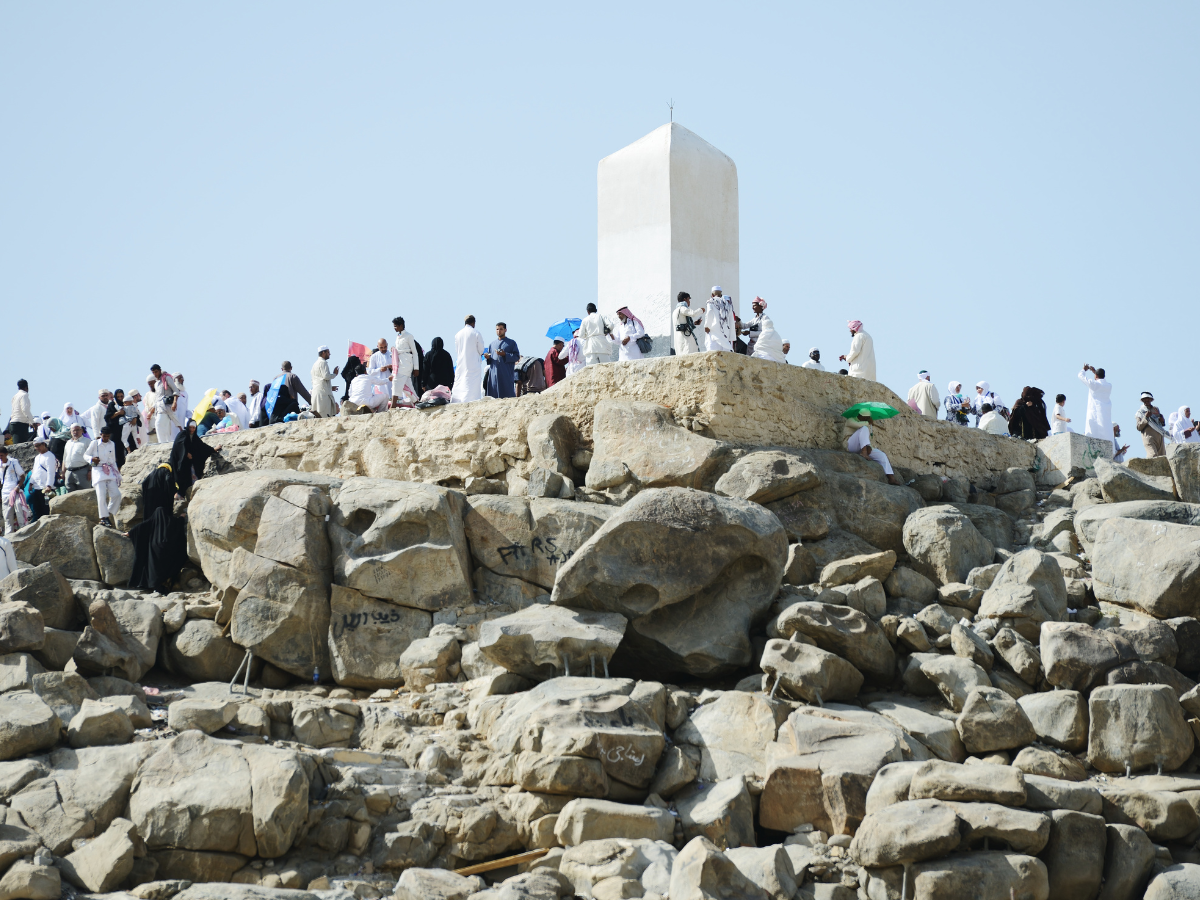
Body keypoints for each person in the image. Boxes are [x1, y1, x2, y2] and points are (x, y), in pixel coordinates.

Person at [170, 420, 221, 497]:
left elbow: (202, 446)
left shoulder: (194, 437)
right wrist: (186, 453)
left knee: (193, 478)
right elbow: (178, 446)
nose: (192, 429)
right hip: (180, 463)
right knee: (180, 480)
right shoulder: (182, 434)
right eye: (190, 427)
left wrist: (213, 449)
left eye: (194, 428)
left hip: (189, 464)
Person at [846, 413, 900, 485]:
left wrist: (869, 447)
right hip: (850, 445)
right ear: (859, 415)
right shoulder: (850, 420)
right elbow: (858, 425)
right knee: (864, 428)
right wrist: (868, 422)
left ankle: (891, 478)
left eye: (867, 418)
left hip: (861, 447)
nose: (866, 419)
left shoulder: (864, 424)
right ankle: (864, 452)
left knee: (882, 455)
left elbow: (864, 438)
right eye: (865, 417)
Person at [86, 426, 121, 528]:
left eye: (107, 436)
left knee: (116, 494)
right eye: (104, 436)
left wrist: (117, 475)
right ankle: (103, 518)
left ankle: (107, 514)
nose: (106, 438)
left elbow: (113, 460)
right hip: (98, 471)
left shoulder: (112, 444)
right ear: (101, 434)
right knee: (101, 496)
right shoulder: (94, 443)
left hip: (109, 470)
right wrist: (92, 459)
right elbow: (85, 455)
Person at [452, 315, 487, 403]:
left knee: (461, 380)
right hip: (473, 363)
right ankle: (470, 400)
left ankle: (457, 400)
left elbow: (457, 350)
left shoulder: (458, 334)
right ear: (473, 323)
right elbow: (481, 349)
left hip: (461, 362)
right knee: (472, 383)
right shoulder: (476, 333)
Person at [485, 322, 520, 398]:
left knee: (508, 395)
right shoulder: (492, 344)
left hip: (506, 373)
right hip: (493, 374)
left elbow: (516, 357)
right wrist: (488, 358)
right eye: (497, 329)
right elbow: (490, 360)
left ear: (505, 330)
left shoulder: (511, 343)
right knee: (493, 396)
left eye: (501, 329)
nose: (499, 331)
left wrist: (505, 354)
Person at [150, 365, 183, 444]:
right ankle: (165, 444)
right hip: (159, 408)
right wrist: (152, 410)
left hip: (168, 406)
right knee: (164, 427)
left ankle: (163, 443)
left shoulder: (167, 378)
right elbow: (158, 398)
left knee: (159, 424)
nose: (155, 374)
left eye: (156, 372)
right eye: (153, 372)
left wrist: (174, 402)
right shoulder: (156, 383)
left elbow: (176, 391)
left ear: (160, 370)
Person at [1078, 365, 1113, 440]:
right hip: (1105, 412)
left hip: (1095, 411)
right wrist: (1095, 372)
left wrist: (1084, 369)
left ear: (1096, 375)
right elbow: (1101, 380)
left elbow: (1080, 376)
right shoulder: (1109, 386)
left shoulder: (1094, 384)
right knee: (1106, 430)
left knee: (1094, 431)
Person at [390, 317, 419, 405]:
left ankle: (393, 405)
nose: (394, 328)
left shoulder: (409, 336)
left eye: (395, 326)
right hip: (399, 362)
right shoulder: (398, 337)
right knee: (407, 385)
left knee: (396, 381)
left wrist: (416, 368)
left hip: (406, 362)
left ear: (401, 325)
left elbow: (415, 352)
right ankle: (416, 402)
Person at [748, 298, 785, 363]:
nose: (752, 307)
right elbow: (745, 325)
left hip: (760, 347)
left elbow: (762, 334)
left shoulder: (765, 318)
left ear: (760, 306)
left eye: (754, 305)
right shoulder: (755, 319)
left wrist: (750, 333)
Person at [28, 438, 57, 521]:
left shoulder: (49, 456)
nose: (37, 448)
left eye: (38, 446)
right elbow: (35, 471)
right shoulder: (37, 457)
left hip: (46, 489)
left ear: (43, 444)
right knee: (38, 511)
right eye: (35, 446)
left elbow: (51, 472)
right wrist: (31, 483)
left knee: (46, 511)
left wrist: (49, 485)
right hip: (37, 488)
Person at [0, 445, 26, 534]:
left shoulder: (13, 462)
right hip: (5, 493)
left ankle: (24, 532)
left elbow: (22, 476)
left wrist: (18, 487)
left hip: (15, 491)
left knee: (20, 513)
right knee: (7, 517)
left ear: (6, 454)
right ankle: (9, 537)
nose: (0, 458)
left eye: (1, 455)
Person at [702, 287, 735, 352]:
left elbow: (710, 313)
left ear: (712, 295)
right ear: (721, 295)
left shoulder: (711, 301)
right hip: (725, 335)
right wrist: (732, 336)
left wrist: (707, 326)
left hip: (714, 333)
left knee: (712, 354)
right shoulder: (728, 304)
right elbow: (731, 320)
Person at [310, 347, 340, 417]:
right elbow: (326, 376)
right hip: (323, 395)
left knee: (318, 415)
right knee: (324, 415)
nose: (330, 354)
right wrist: (334, 374)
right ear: (323, 353)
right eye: (328, 352)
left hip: (317, 392)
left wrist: (330, 387)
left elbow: (318, 380)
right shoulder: (322, 363)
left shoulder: (315, 364)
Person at [61, 425, 90, 492]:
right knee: (70, 495)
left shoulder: (87, 441)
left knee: (84, 494)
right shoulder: (68, 442)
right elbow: (64, 458)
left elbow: (93, 457)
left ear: (82, 431)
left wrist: (90, 471)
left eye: (77, 430)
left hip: (82, 472)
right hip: (69, 472)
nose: (75, 432)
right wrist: (63, 472)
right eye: (73, 430)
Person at [8, 380, 33, 444]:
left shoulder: (15, 396)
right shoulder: (24, 395)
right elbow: (25, 410)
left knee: (16, 445)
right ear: (26, 387)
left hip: (14, 423)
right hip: (21, 424)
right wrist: (32, 422)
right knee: (20, 447)